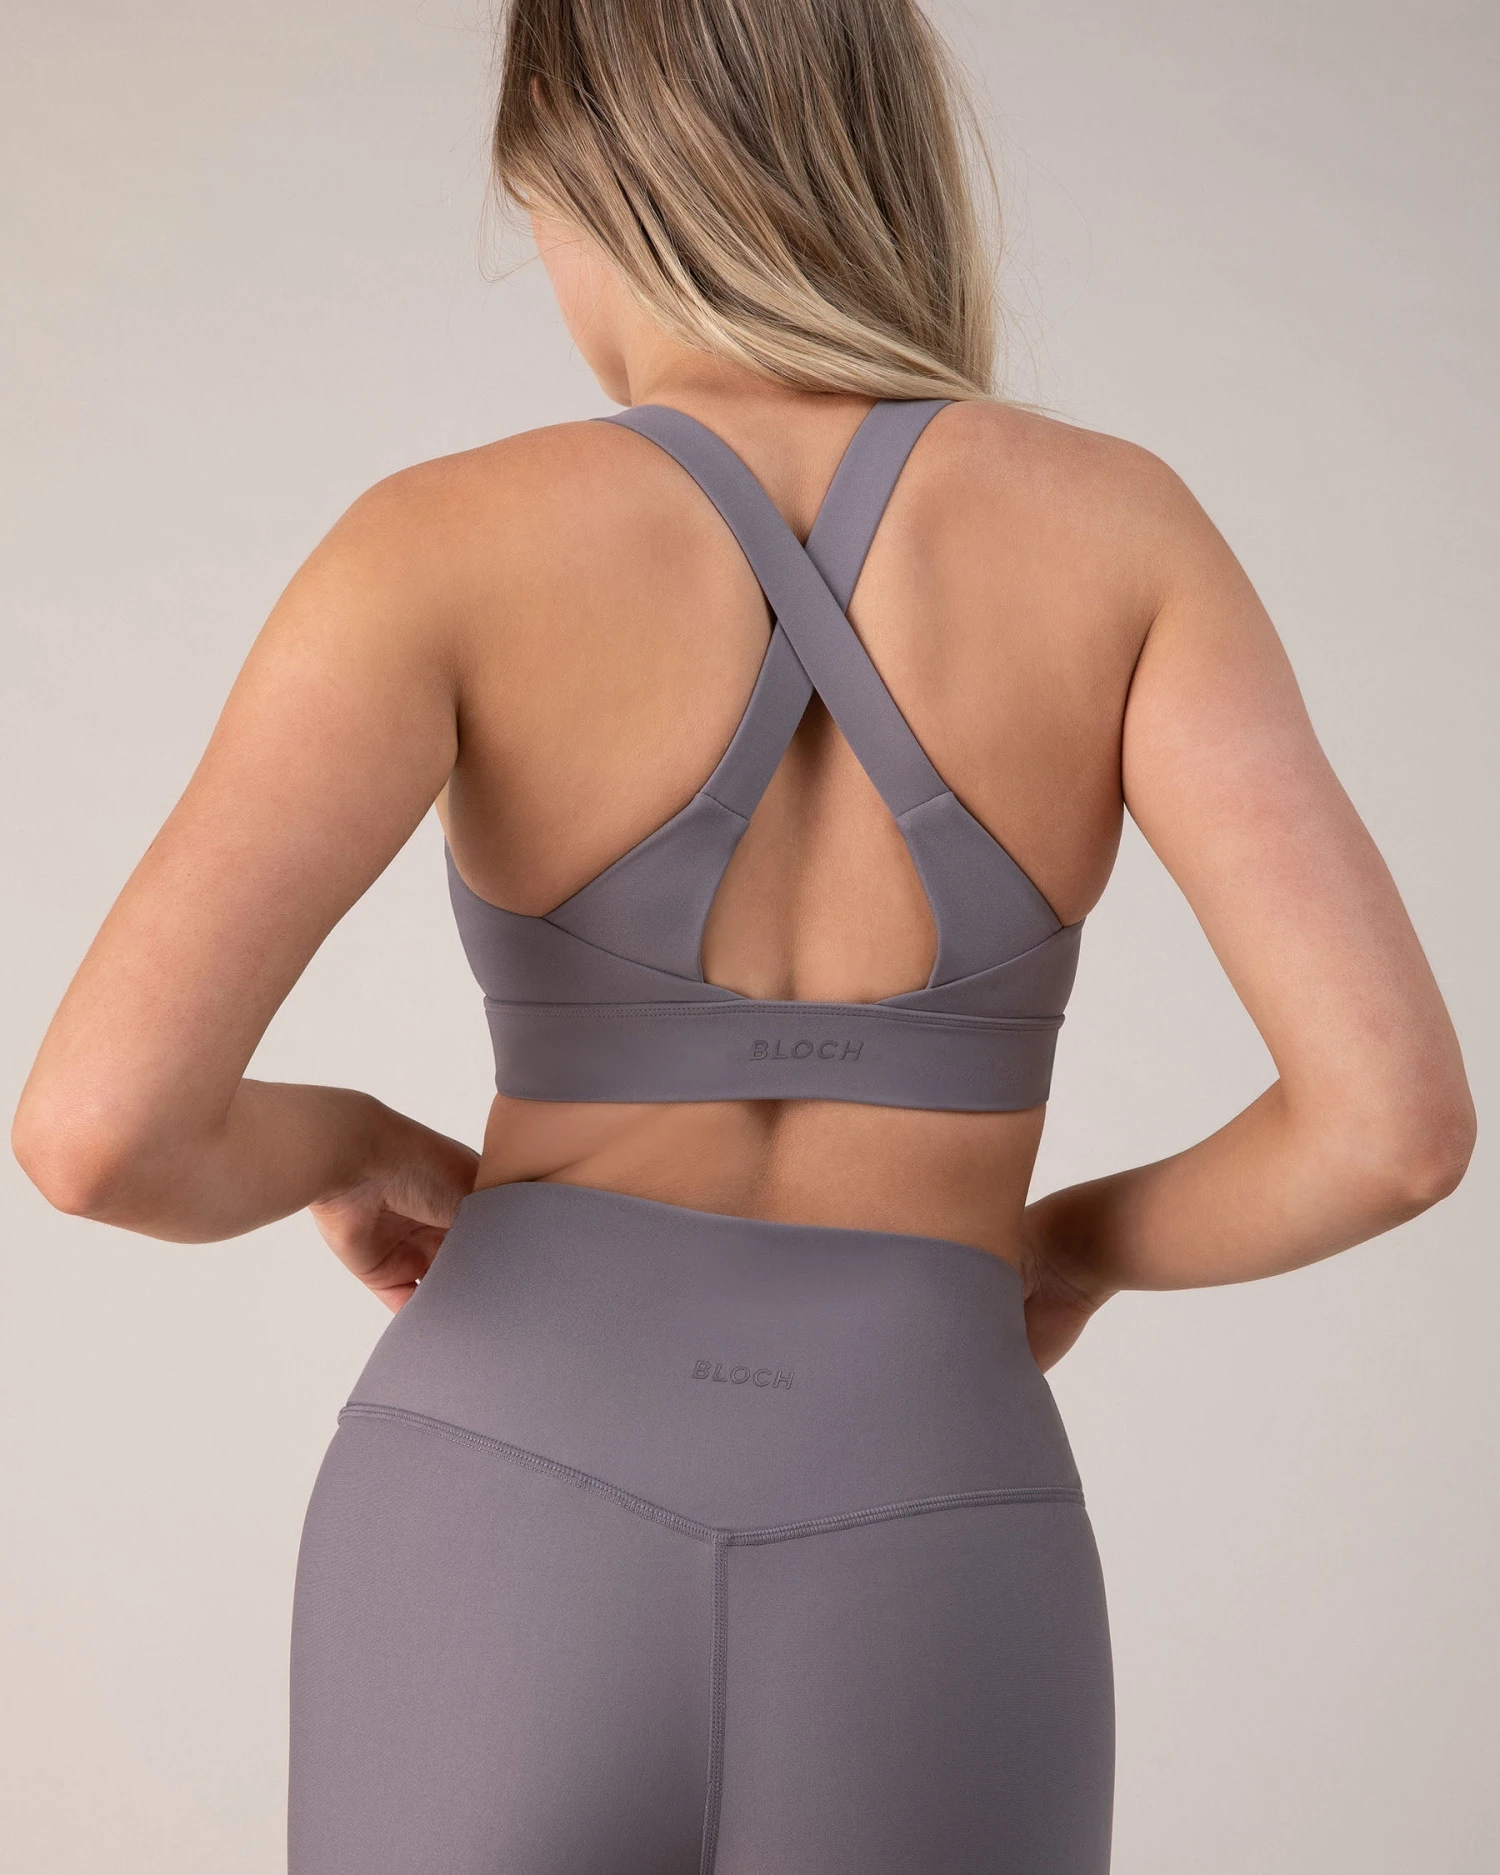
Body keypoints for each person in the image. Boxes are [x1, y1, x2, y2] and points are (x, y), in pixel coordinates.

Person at [12, 1, 1475, 1869]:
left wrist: (355, 1143)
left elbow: (98, 1133)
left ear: (571, 176)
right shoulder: (1121, 536)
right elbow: (1389, 1129)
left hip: (492, 1515)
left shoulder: (439, 542)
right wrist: (1058, 1252)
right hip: (934, 1492)